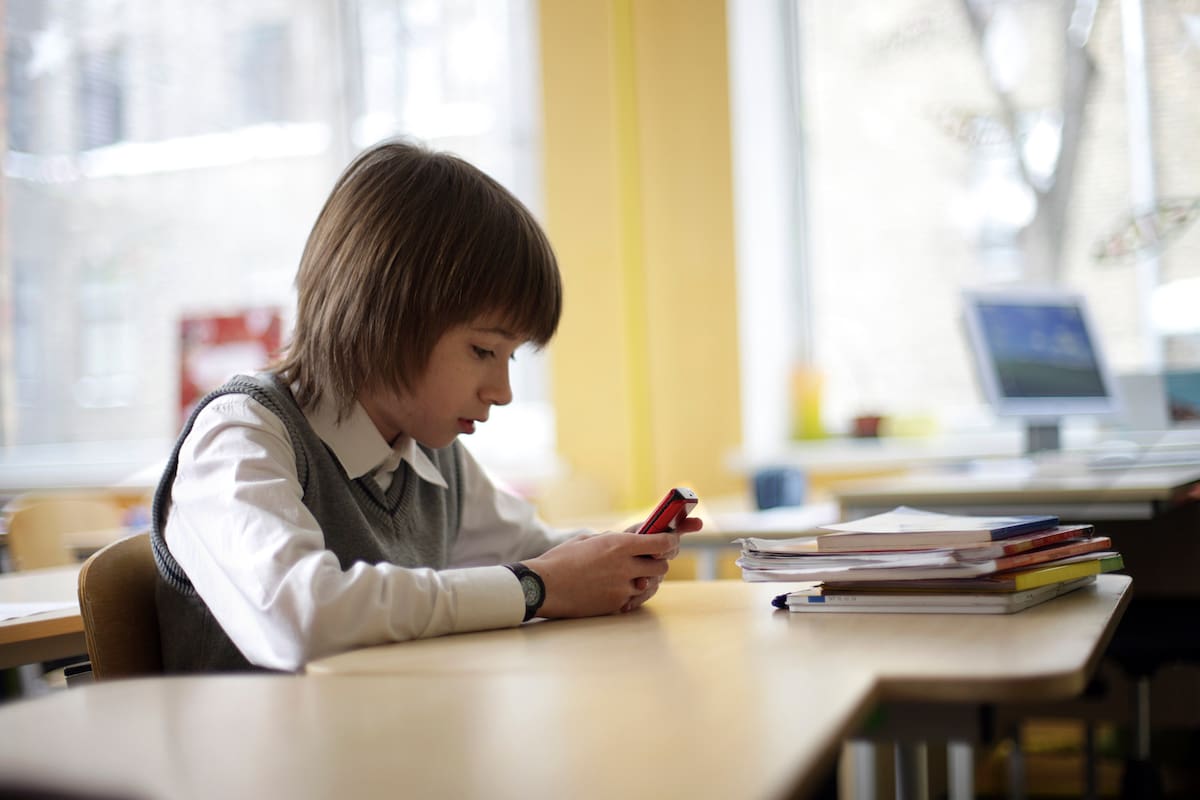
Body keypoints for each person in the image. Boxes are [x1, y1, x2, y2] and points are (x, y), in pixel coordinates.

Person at [150, 140, 701, 673]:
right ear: (383, 317)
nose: (502, 391)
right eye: (484, 350)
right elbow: (301, 617)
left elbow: (534, 552)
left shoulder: (427, 452)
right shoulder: (240, 435)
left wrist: (615, 559)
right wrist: (538, 587)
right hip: (263, 764)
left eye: (511, 357)